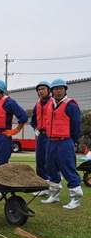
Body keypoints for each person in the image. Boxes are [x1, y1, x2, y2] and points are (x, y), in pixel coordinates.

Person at [41, 78, 83, 209]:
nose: (58, 91)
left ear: (65, 90)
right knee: (50, 167)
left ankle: (75, 199)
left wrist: (72, 141)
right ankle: (54, 195)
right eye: (55, 89)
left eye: (61, 89)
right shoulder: (49, 105)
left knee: (68, 168)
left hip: (65, 142)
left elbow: (76, 127)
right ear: (52, 91)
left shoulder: (71, 106)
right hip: (51, 142)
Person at [30, 81, 52, 197]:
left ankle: (53, 185)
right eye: (39, 90)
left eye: (43, 89)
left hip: (51, 136)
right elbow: (33, 120)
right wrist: (35, 129)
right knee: (40, 161)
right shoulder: (37, 104)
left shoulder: (53, 103)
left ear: (49, 90)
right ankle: (42, 187)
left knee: (50, 161)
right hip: (41, 135)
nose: (41, 91)